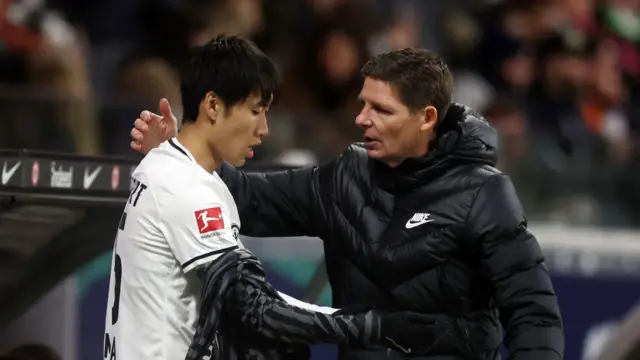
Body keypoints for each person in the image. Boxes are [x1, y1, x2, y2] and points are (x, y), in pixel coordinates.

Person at [131, 47, 564, 359]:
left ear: (427, 118)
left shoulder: (485, 194)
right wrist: (185, 148)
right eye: (362, 104)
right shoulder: (345, 178)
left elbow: (534, 314)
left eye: (381, 109)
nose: (361, 119)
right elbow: (246, 198)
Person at [106, 35, 436, 360]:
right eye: (254, 111)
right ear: (213, 105)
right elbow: (254, 306)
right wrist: (368, 325)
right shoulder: (184, 185)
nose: (264, 128)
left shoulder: (179, 172)